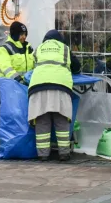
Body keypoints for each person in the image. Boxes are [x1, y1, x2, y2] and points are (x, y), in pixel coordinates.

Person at [28, 30, 81, 162]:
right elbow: (76, 67)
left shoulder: (38, 49)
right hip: (60, 86)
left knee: (42, 120)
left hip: (38, 86)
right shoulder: (64, 48)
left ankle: (43, 154)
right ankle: (64, 153)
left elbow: (31, 67)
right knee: (61, 119)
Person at [0, 21, 34, 116]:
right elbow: (7, 68)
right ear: (15, 35)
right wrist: (19, 80)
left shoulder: (29, 49)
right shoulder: (4, 49)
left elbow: (34, 66)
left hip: (22, 91)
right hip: (6, 91)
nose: (23, 37)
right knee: (7, 121)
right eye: (21, 34)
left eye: (25, 34)